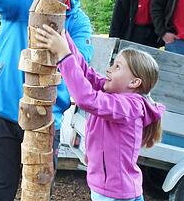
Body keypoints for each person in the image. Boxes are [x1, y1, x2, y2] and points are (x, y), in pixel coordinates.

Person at [0, 0, 93, 201]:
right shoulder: (21, 2)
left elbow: (80, 62)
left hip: (44, 119)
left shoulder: (77, 22)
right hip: (3, 113)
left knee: (38, 193)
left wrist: (59, 38)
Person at [35, 24, 166, 201]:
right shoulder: (114, 94)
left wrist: (63, 56)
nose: (109, 69)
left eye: (118, 66)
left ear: (134, 82)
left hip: (114, 193)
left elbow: (86, 98)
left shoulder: (130, 106)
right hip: (113, 189)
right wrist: (62, 34)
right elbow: (86, 73)